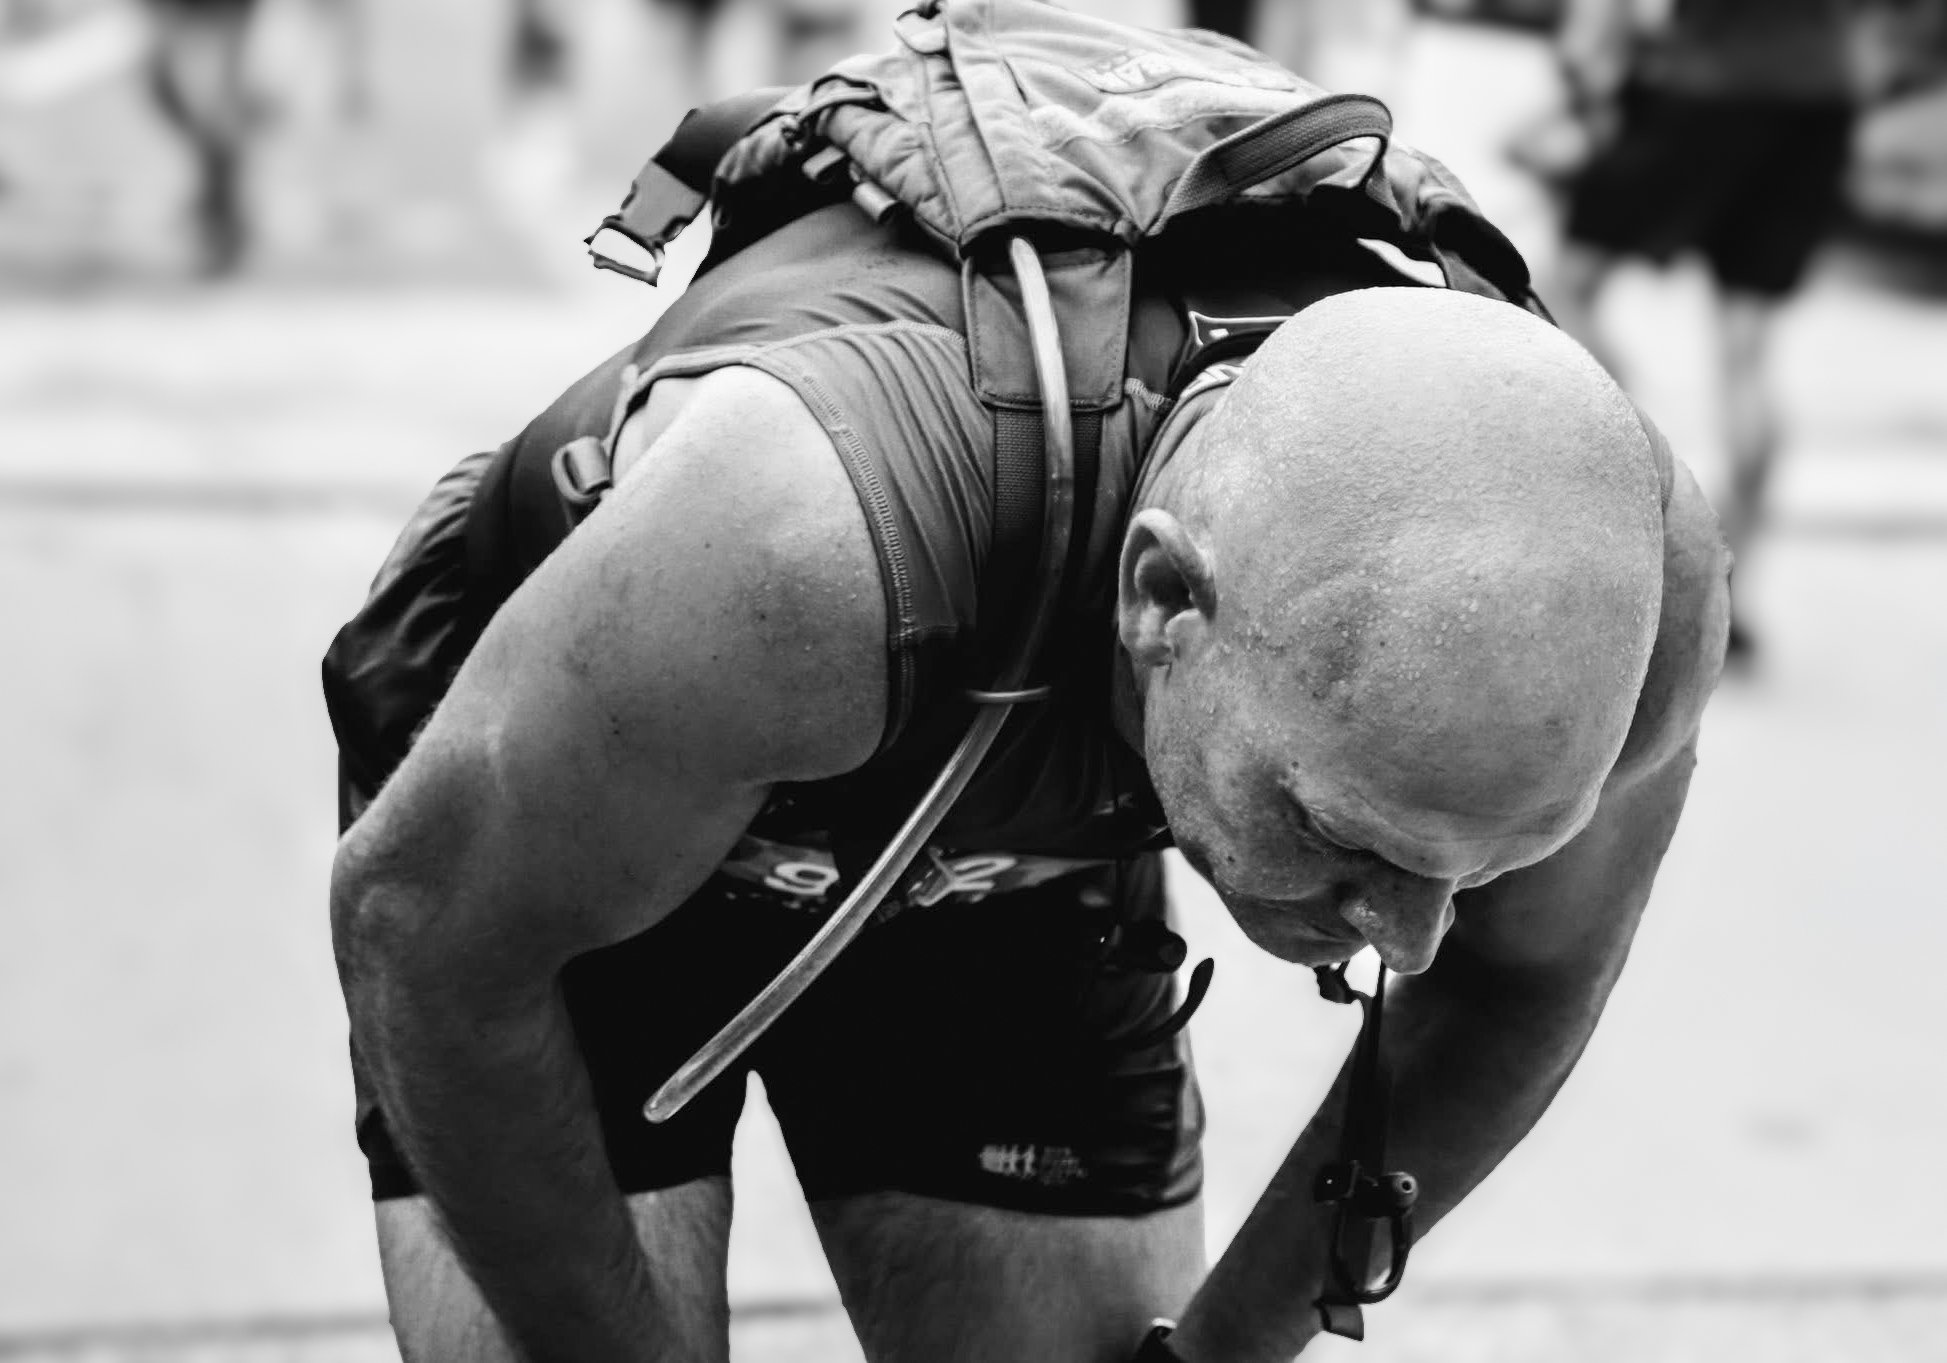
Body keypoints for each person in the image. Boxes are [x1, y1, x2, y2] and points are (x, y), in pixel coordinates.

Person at [326, 49, 1729, 1363]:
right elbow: (426, 937)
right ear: (1161, 601)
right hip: (606, 800)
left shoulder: (1632, 583)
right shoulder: (788, 551)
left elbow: (1518, 981)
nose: (1409, 936)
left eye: (1477, 859)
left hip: (1007, 818)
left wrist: (1221, 1351)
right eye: (1348, 832)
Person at [1519, 0, 1887, 661]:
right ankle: (1726, 594)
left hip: (1705, 89)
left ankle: (1643, 508)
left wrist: (1586, 93)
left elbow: (1599, 24)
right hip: (1819, 103)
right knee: (1746, 353)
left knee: (1564, 287)